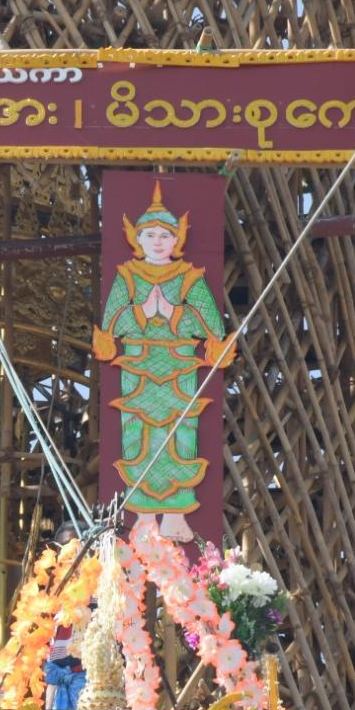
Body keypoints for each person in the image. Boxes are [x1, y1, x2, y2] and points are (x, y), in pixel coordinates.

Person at [92, 181, 234, 542]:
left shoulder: (189, 278)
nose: (157, 242)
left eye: (165, 235)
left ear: (177, 239)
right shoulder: (128, 276)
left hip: (178, 367)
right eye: (150, 235)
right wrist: (141, 312)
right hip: (138, 367)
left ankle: (174, 515)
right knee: (138, 435)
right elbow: (110, 328)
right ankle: (142, 516)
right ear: (137, 238)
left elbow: (213, 327)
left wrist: (173, 313)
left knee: (179, 435)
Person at [42, 522, 87, 710]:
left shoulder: (101, 589)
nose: (68, 552)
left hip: (92, 686)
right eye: (63, 547)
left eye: (74, 544)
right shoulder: (51, 594)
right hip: (57, 687)